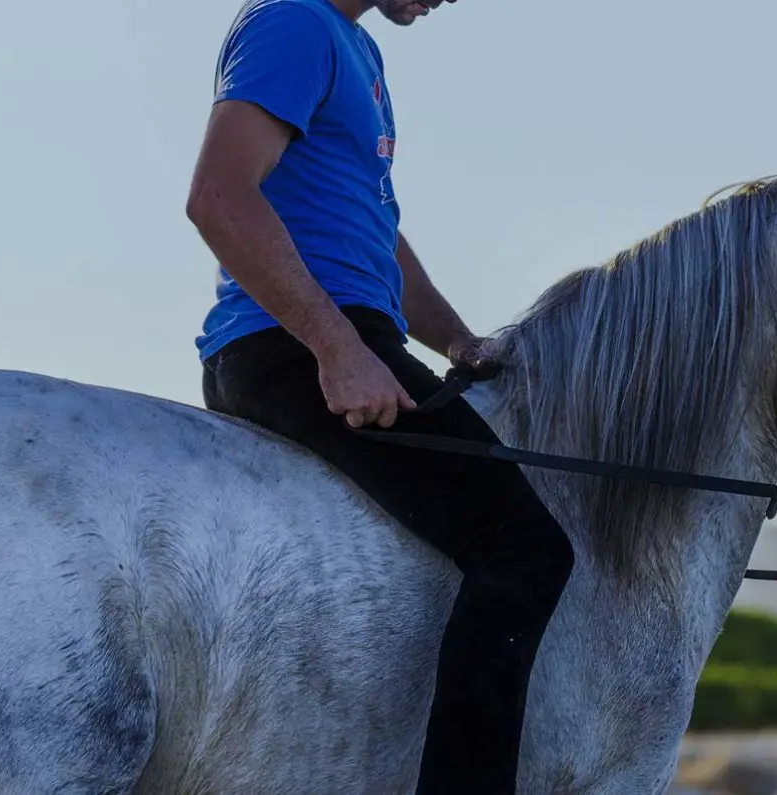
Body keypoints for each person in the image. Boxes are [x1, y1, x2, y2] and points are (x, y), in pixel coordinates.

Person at [184, 0, 576, 792]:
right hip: (290, 343)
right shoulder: (292, 22)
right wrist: (338, 352)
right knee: (526, 546)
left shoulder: (356, 49)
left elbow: (373, 232)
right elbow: (218, 196)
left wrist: (458, 339)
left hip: (347, 334)